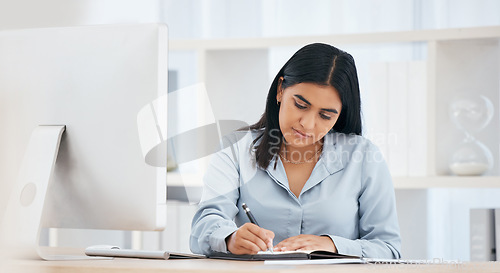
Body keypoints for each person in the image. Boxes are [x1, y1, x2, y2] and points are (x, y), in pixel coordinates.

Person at [189, 43, 401, 259]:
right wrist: (230, 238)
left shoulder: (364, 157)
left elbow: (388, 249)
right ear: (281, 90)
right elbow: (203, 226)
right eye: (300, 105)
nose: (307, 124)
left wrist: (332, 245)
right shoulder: (236, 149)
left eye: (325, 116)